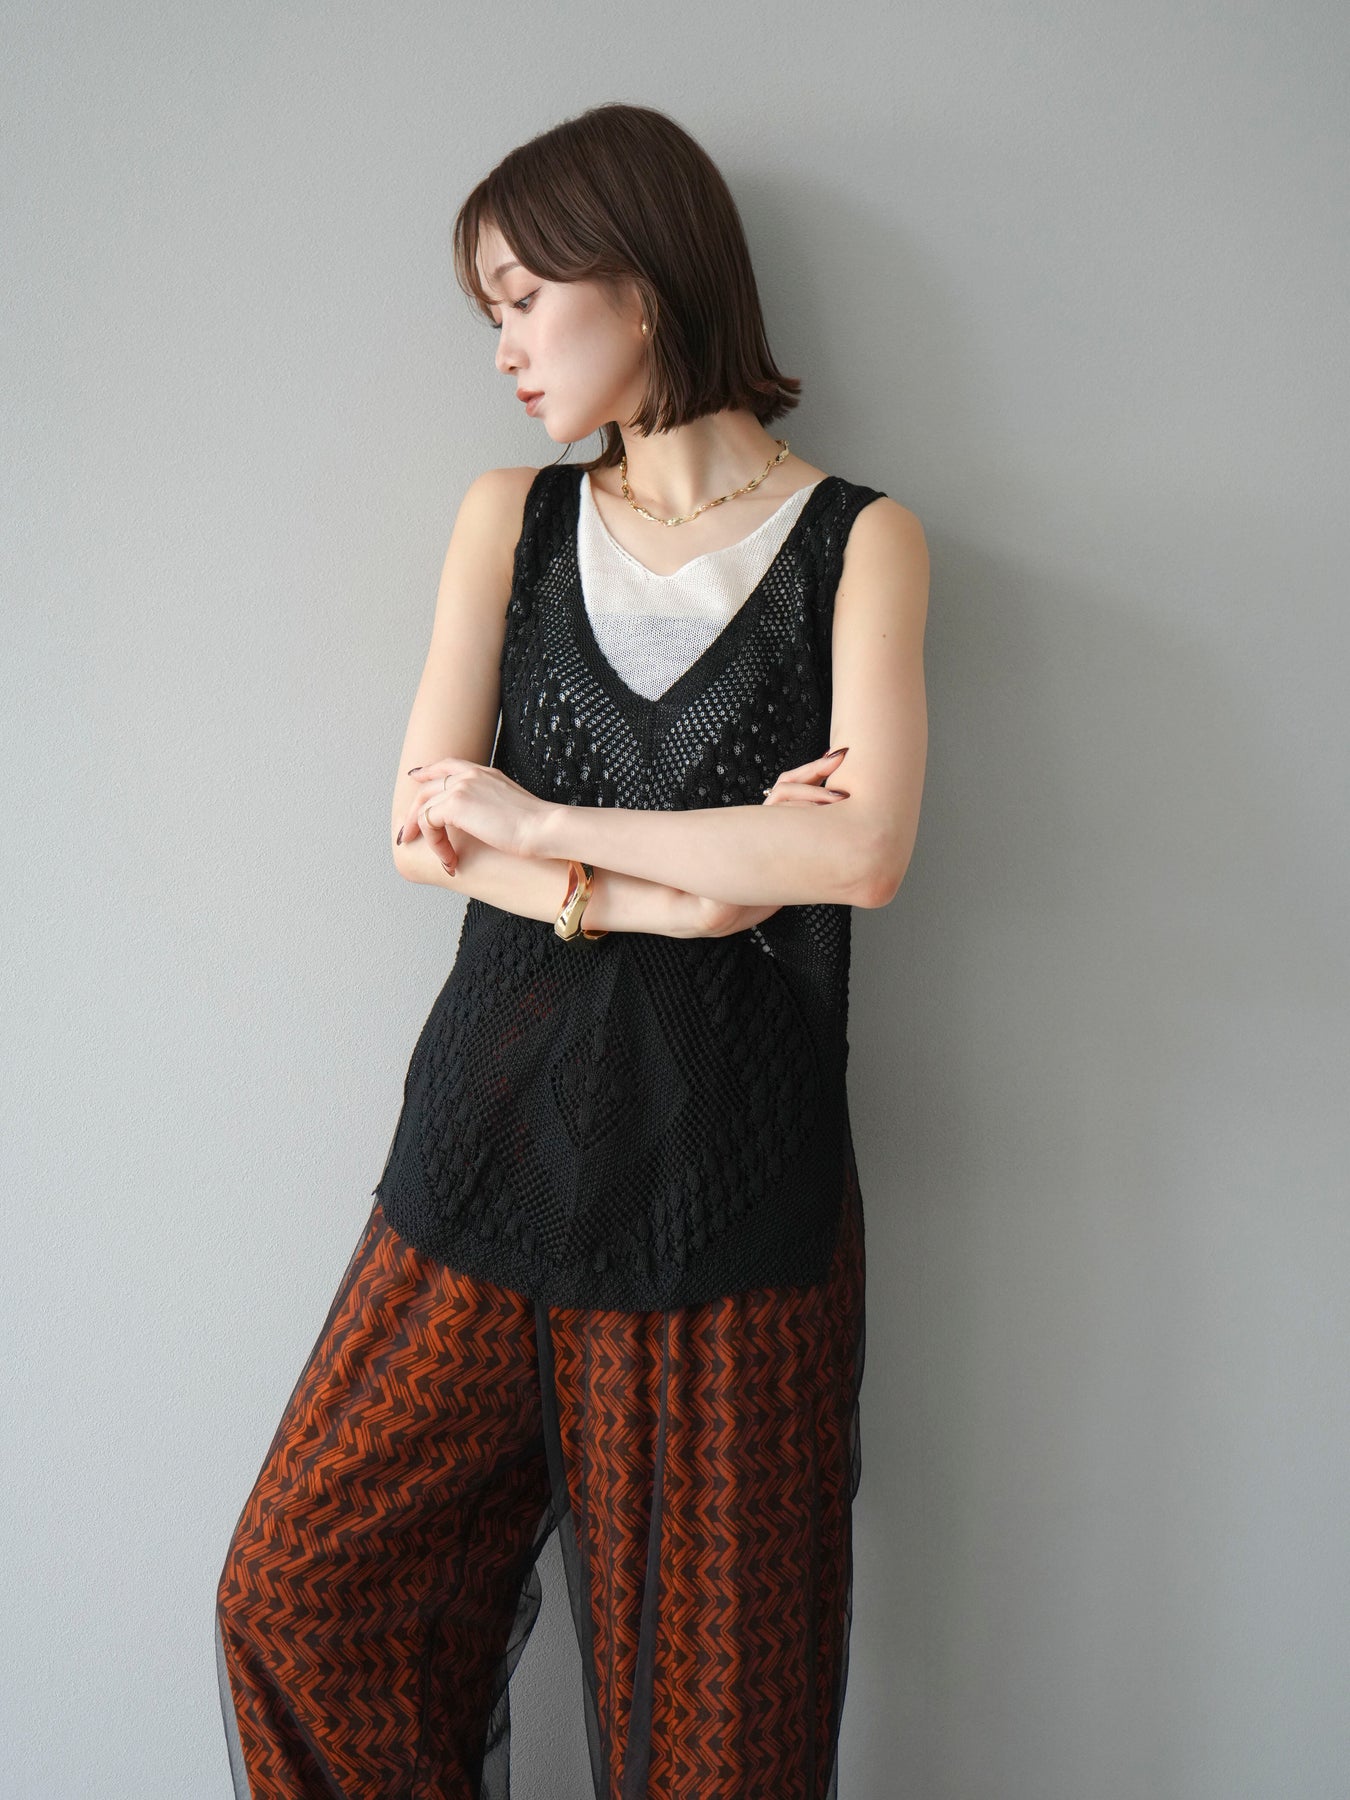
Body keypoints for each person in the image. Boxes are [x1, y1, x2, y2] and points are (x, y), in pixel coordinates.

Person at [215, 100, 928, 1800]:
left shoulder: (860, 543)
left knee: (718, 1738)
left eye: (526, 299)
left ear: (643, 278)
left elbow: (859, 853)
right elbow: (423, 833)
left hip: (725, 1192)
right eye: (494, 313)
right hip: (485, 1150)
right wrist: (694, 886)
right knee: (299, 1592)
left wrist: (544, 822)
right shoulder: (511, 521)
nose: (506, 350)